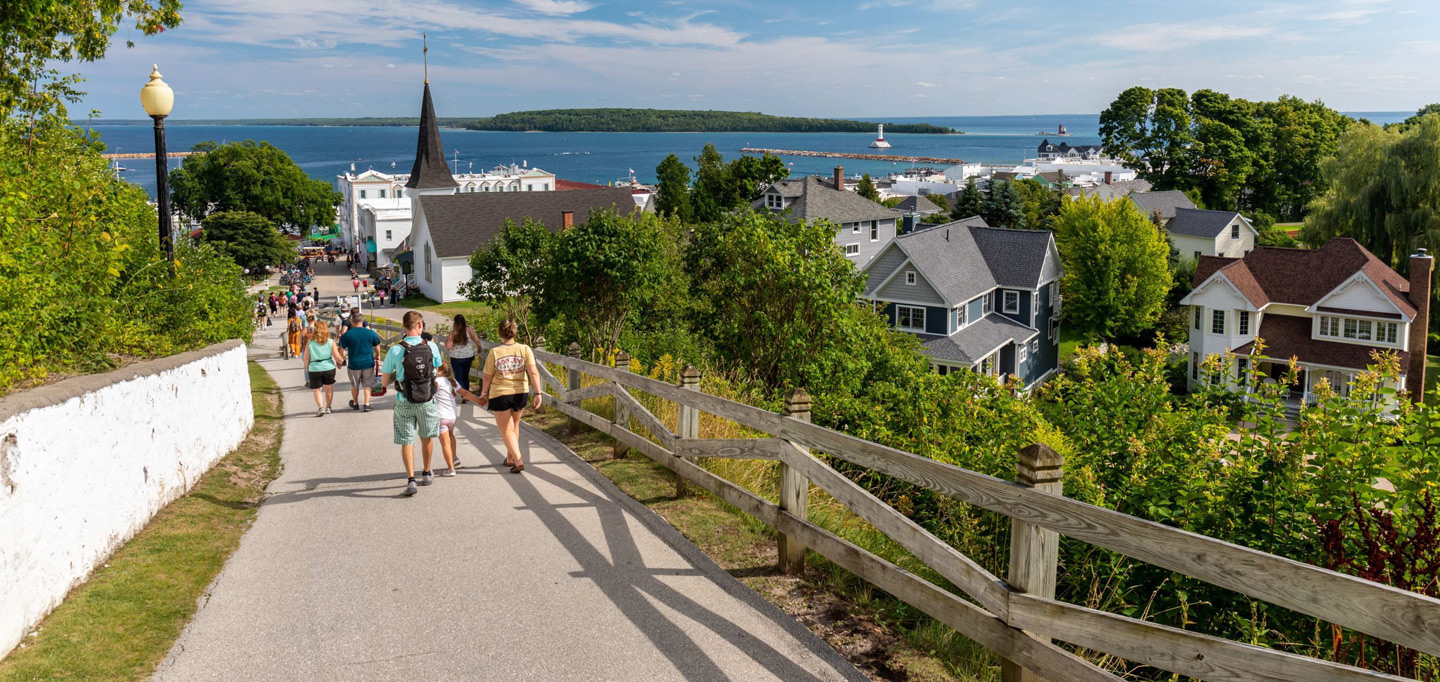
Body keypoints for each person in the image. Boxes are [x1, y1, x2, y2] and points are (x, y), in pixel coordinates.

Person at [381, 311, 444, 496]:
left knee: (407, 441)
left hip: (404, 400)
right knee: (427, 437)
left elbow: (384, 382)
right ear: (419, 325)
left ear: (404, 327)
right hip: (427, 400)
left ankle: (411, 480)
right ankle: (427, 472)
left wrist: (398, 374)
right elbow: (435, 370)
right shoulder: (431, 346)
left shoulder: (395, 350)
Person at [480, 319, 542, 473]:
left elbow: (487, 376)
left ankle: (518, 460)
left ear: (499, 333)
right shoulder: (525, 349)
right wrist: (538, 393)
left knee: (506, 430)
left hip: (500, 393)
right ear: (515, 332)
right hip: (520, 392)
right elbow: (533, 372)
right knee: (514, 426)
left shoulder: (495, 352)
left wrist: (484, 393)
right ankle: (510, 458)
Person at [433, 364, 482, 476]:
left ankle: (451, 469)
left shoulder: (436, 382)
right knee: (451, 435)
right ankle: (454, 457)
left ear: (438, 371)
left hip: (441, 417)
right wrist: (479, 401)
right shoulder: (452, 381)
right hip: (452, 417)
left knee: (445, 443)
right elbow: (465, 393)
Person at [339, 312, 382, 412]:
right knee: (367, 384)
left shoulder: (347, 334)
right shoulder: (370, 333)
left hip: (354, 364)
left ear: (352, 322)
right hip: (368, 363)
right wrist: (378, 355)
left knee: (355, 385)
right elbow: (377, 346)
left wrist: (341, 359)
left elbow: (341, 349)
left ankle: (355, 403)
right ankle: (367, 404)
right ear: (362, 321)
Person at [302, 320, 345, 417]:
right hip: (328, 367)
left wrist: (307, 368)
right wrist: (340, 362)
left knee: (317, 389)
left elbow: (306, 358)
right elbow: (337, 356)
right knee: (329, 388)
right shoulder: (330, 342)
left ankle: (320, 407)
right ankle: (328, 407)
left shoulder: (310, 343)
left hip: (314, 368)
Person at [445, 314, 483, 401]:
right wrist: (479, 349)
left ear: (455, 322)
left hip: (456, 357)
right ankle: (467, 394)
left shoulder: (453, 332)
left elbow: (448, 347)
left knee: (459, 377)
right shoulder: (469, 330)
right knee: (466, 376)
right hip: (468, 357)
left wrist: (447, 341)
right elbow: (477, 341)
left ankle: (464, 395)